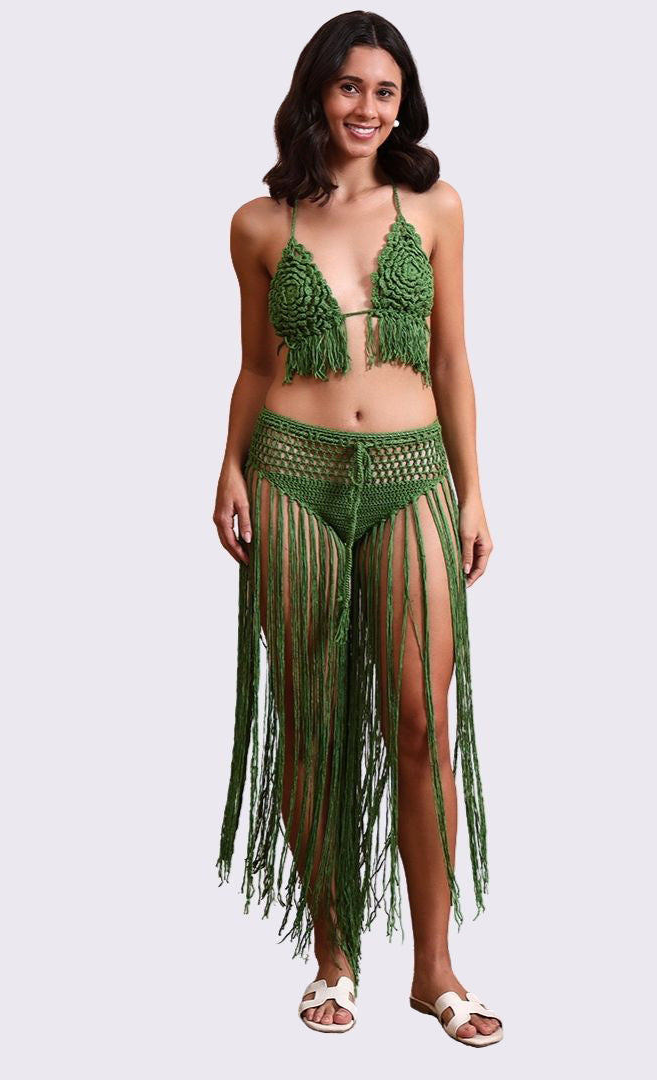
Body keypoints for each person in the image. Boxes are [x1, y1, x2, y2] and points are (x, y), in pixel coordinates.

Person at [213, 11, 503, 1048]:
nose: (367, 108)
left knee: (420, 720)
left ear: (402, 102)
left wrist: (472, 491)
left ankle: (436, 971)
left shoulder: (435, 206)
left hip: (414, 475)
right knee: (313, 719)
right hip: (290, 475)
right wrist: (228, 468)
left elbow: (452, 361)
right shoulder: (260, 224)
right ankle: (332, 956)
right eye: (350, 88)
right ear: (316, 95)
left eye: (385, 91)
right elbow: (257, 365)